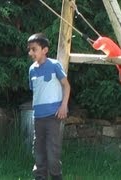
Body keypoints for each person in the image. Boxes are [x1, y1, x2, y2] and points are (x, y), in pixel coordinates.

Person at [27, 33, 70, 180]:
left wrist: (64, 105)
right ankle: (39, 177)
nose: (30, 53)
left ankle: (56, 176)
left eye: (34, 49)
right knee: (38, 152)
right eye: (29, 50)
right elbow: (36, 92)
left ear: (44, 50)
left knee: (52, 152)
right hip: (38, 118)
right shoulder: (32, 69)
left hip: (53, 117)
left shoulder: (54, 65)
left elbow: (66, 85)